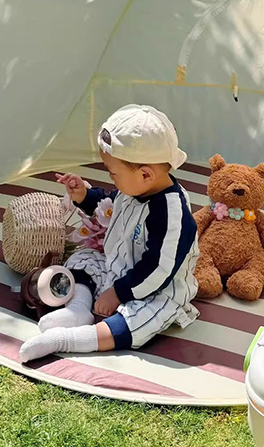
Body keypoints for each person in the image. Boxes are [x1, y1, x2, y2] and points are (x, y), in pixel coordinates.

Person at [19, 104, 199, 360]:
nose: (111, 178)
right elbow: (109, 203)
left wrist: (117, 294)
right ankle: (79, 309)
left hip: (157, 288)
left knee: (141, 320)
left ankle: (66, 340)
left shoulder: (172, 214)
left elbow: (158, 269)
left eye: (113, 173)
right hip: (117, 268)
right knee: (82, 258)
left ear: (146, 174)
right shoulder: (134, 189)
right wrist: (84, 196)